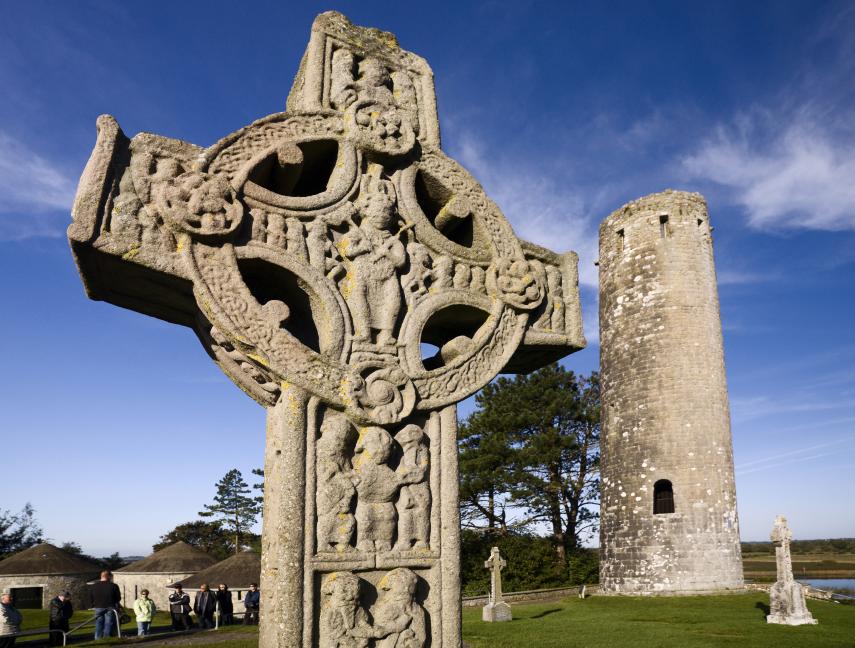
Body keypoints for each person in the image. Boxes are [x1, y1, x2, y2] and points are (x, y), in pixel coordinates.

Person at [89, 570, 121, 640]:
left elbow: (90, 597)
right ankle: (106, 638)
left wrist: (92, 605)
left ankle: (98, 638)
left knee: (99, 623)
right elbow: (118, 598)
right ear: (109, 576)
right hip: (110, 607)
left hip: (98, 607)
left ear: (101, 576)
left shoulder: (94, 586)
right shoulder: (113, 586)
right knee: (108, 623)